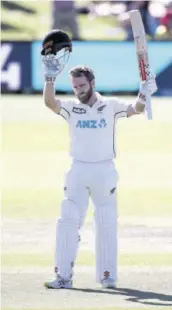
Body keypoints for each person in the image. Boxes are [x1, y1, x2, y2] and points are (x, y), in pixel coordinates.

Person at [42, 52, 157, 289]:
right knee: (67, 220)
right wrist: (50, 79)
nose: (78, 91)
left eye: (82, 86)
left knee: (106, 222)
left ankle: (107, 276)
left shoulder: (111, 105)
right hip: (77, 169)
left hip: (104, 171)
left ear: (93, 83)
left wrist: (144, 93)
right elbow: (50, 103)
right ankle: (63, 276)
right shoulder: (72, 108)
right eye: (75, 87)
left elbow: (136, 109)